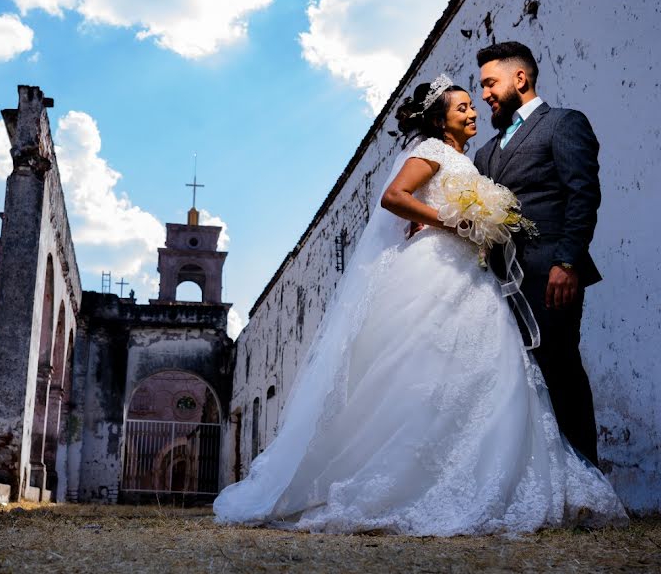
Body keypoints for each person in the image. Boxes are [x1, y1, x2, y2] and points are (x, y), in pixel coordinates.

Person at [212, 76, 626, 535]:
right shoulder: (432, 150)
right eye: (462, 107)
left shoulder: (470, 158)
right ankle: (408, 480)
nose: (472, 113)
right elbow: (394, 197)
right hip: (437, 268)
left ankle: (471, 475)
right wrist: (453, 219)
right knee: (424, 370)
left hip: (474, 274)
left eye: (474, 105)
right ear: (440, 118)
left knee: (485, 371)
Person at [474, 42, 602, 467]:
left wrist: (567, 263)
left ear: (520, 79)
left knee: (559, 369)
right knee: (514, 380)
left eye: (490, 83)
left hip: (551, 275)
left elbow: (582, 194)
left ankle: (585, 479)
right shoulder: (485, 152)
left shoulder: (563, 124)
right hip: (497, 283)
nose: (485, 94)